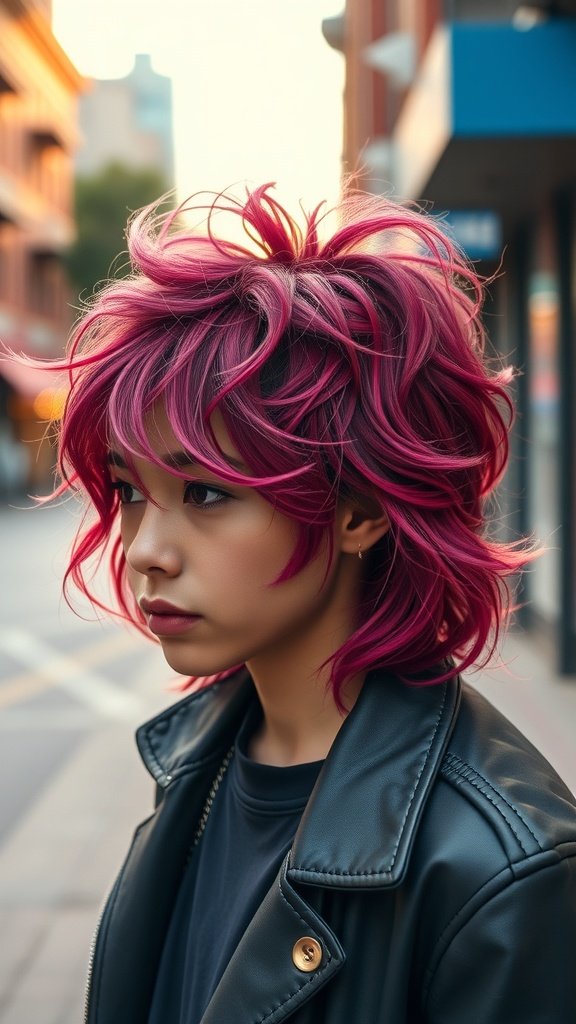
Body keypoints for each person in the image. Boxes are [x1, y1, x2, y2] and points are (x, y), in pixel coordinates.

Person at [50, 185, 575, 1023]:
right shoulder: (198, 764)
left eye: (207, 494)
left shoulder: (501, 871)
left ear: (361, 509)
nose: (145, 548)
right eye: (131, 491)